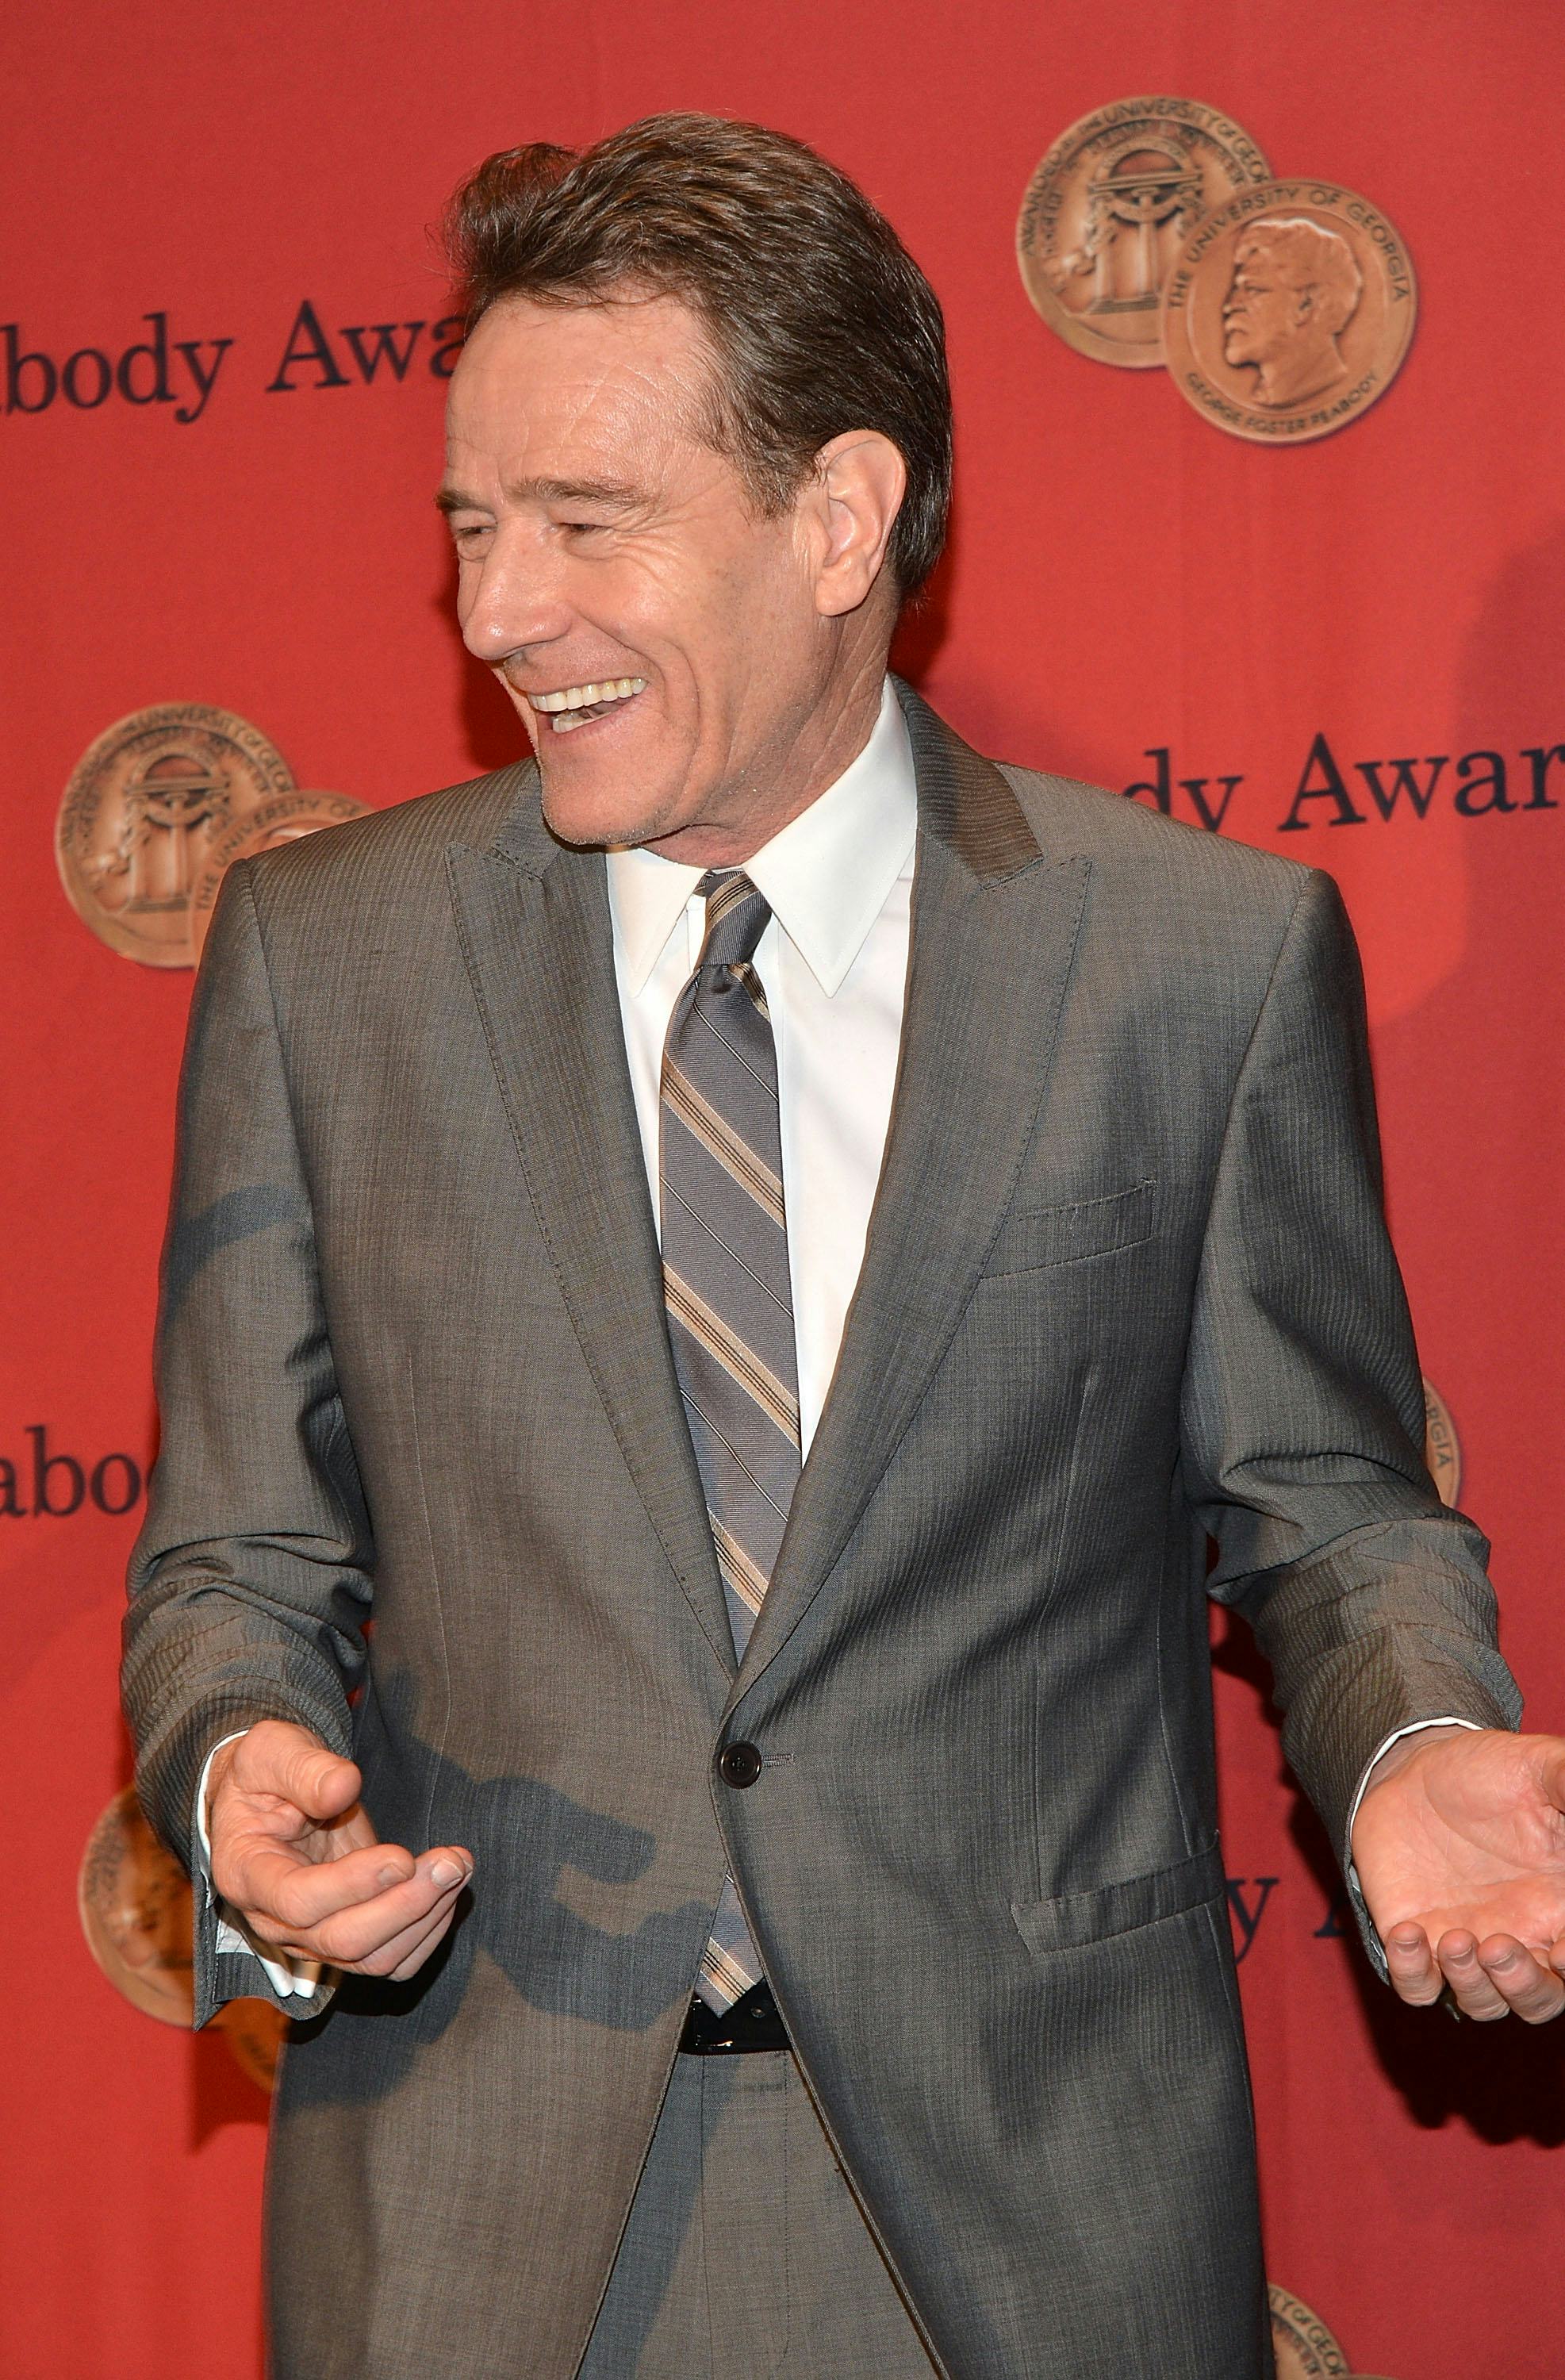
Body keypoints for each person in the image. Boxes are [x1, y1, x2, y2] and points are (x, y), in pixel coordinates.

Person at [123, 113, 1565, 2380]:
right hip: (478, 2219)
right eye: (474, 528)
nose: (498, 613)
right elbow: (236, 1552)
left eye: (584, 522)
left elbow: (1327, 1507)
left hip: (1029, 2215)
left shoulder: (1187, 964)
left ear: (835, 515)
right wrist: (233, 1770)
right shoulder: (330, 961)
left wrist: (1409, 1742)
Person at [1221, 213, 1364, 409]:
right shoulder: (1268, 394)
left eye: (1253, 290)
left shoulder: (1318, 385)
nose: (1230, 305)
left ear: (1307, 304)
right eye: (1237, 290)